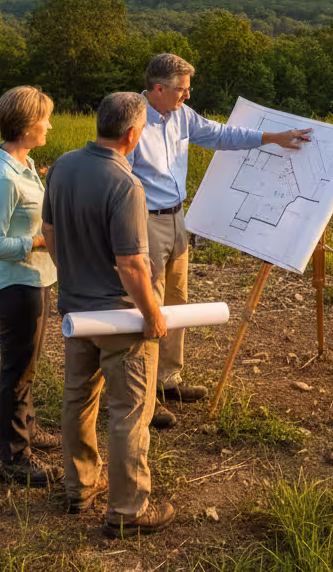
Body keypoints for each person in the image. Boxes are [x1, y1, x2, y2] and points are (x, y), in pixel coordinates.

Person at [131, 53, 311, 429]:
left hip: (176, 217)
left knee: (176, 302)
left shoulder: (181, 116)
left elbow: (221, 135)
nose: (188, 97)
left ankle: (168, 380)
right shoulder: (131, 119)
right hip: (141, 222)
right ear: (158, 89)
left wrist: (274, 138)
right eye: (182, 90)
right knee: (147, 308)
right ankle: (142, 397)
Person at [42, 92, 175, 536]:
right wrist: (153, 314)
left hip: (76, 312)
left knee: (78, 398)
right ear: (132, 134)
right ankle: (128, 510)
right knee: (130, 412)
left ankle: (79, 486)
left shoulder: (62, 166)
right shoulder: (126, 184)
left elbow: (49, 231)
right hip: (120, 318)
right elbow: (132, 264)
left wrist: (72, 274)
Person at [0, 85, 58, 486]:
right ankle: (14, 457)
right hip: (17, 287)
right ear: (27, 126)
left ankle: (28, 427)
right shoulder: (4, 179)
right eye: (44, 118)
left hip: (36, 280)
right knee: (17, 370)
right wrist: (39, 240)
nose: (49, 124)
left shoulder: (24, 166)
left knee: (28, 367)